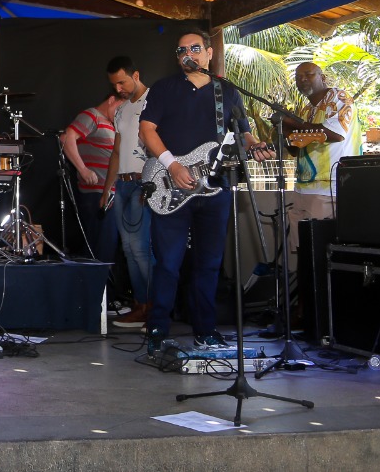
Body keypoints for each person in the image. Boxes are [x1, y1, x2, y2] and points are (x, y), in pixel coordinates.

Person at [138, 30, 273, 354]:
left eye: (195, 48)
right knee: (168, 263)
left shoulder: (227, 91)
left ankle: (205, 330)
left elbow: (244, 134)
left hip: (215, 188)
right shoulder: (165, 88)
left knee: (209, 264)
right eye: (181, 50)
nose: (188, 53)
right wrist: (173, 165)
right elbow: (146, 129)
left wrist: (256, 146)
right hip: (170, 184)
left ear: (209, 53)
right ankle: (157, 329)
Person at [101, 56, 152, 330]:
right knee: (129, 249)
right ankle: (140, 305)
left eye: (122, 82)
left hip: (144, 182)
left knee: (142, 249)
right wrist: (107, 188)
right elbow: (117, 152)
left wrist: (153, 180)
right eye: (114, 85)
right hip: (122, 184)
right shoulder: (121, 110)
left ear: (136, 75)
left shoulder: (154, 101)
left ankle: (154, 308)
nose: (118, 89)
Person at [281, 61, 360, 228]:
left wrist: (293, 122)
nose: (302, 79)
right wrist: (284, 127)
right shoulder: (306, 110)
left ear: (322, 78)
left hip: (329, 187)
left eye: (308, 74)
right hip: (303, 187)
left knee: (319, 241)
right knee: (300, 242)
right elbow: (295, 150)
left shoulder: (339, 97)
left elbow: (335, 134)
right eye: (298, 77)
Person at [61, 92, 122, 263]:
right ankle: (99, 278)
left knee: (107, 246)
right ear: (111, 100)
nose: (121, 113)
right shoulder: (92, 115)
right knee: (102, 247)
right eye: (120, 108)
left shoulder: (111, 124)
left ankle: (104, 278)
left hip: (109, 192)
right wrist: (83, 169)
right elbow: (66, 137)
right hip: (97, 192)